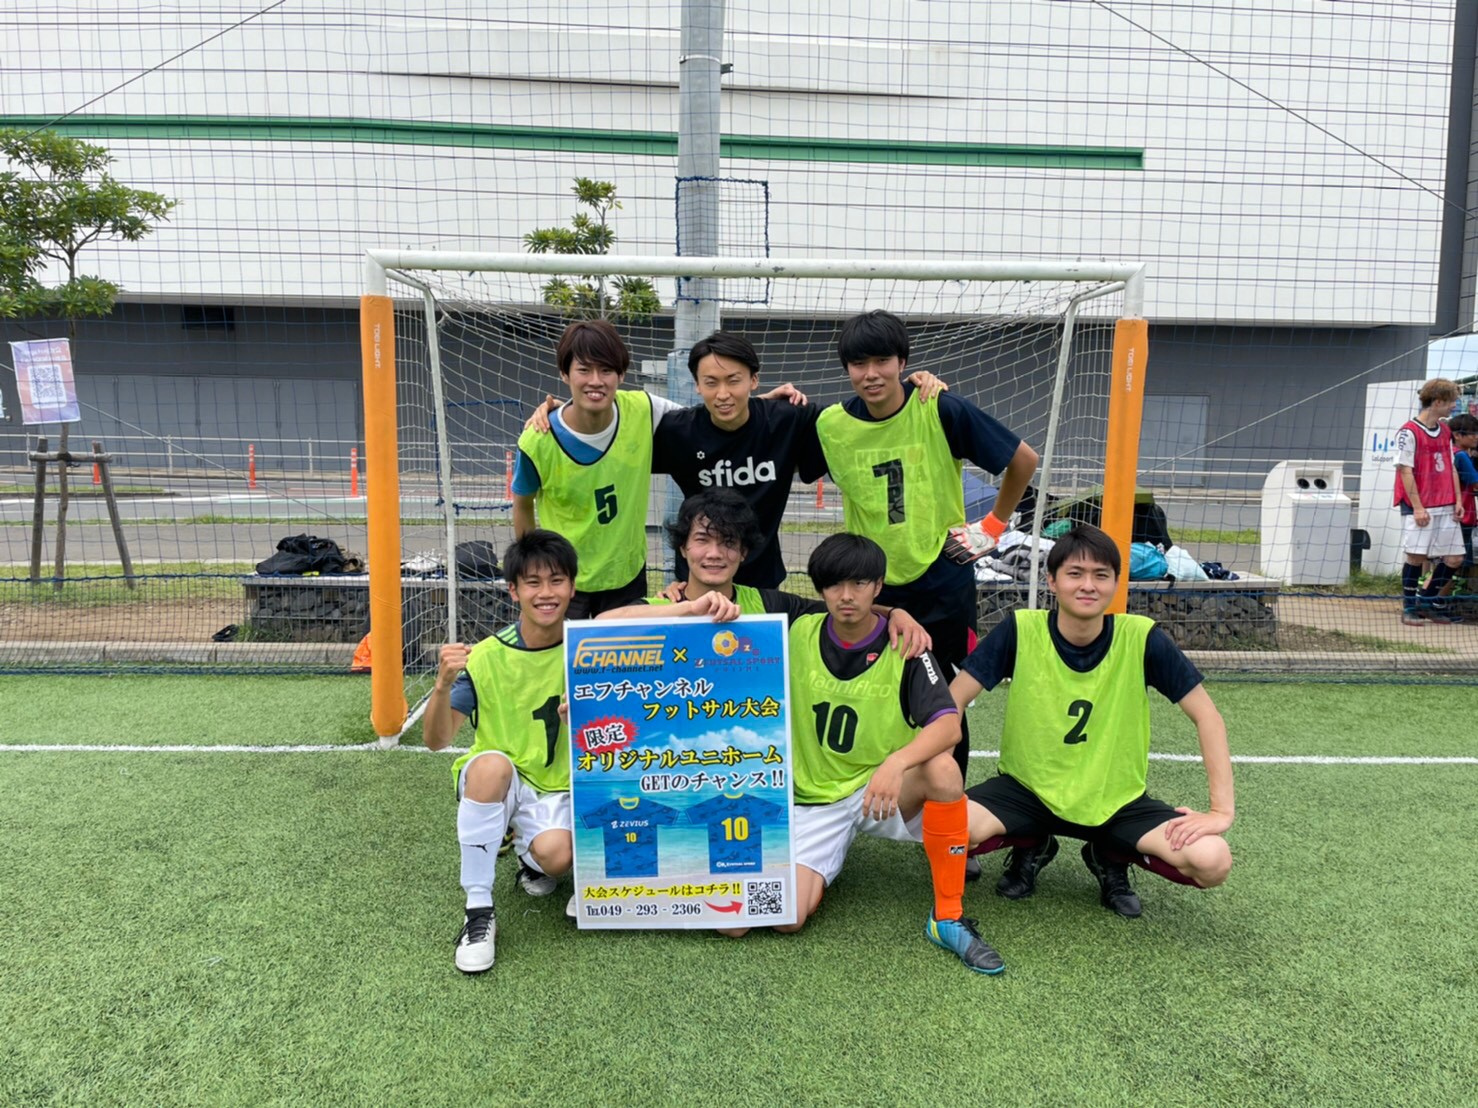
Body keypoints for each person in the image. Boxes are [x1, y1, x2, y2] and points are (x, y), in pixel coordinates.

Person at [950, 524, 1234, 919]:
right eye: (1075, 574)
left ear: (1116, 583)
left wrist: (1221, 810)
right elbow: (952, 703)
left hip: (1116, 801)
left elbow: (1208, 717)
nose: (1088, 585)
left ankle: (1110, 853)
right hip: (1027, 792)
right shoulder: (1021, 629)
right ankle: (1032, 843)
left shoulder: (1142, 638)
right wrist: (941, 778)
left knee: (1212, 860)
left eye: (1101, 575)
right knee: (946, 829)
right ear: (1052, 581)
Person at [529, 328, 948, 588]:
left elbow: (859, 415)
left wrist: (910, 386)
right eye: (711, 382)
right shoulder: (676, 430)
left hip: (764, 580)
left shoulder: (789, 419)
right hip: (696, 581)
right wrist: (559, 412)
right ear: (696, 386)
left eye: (734, 380)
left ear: (754, 379)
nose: (723, 393)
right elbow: (607, 432)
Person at [812, 309, 1040, 785]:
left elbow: (1023, 460)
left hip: (942, 577)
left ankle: (947, 806)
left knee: (946, 698)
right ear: (846, 368)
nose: (871, 374)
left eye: (882, 361)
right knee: (875, 692)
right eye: (859, 363)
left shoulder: (938, 407)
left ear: (903, 362)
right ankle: (871, 799)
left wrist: (993, 526)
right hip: (870, 584)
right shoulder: (830, 425)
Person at [422, 530, 579, 973]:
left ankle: (529, 855)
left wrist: (585, 719)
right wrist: (441, 686)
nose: (546, 593)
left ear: (573, 587)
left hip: (559, 786)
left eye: (557, 581)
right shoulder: (485, 657)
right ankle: (478, 911)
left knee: (557, 858)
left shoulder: (589, 652)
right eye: (533, 583)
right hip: (505, 780)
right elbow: (436, 740)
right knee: (490, 765)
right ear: (513, 590)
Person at [598, 488, 929, 657]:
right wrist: (689, 609)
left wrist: (894, 613)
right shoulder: (660, 607)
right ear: (683, 548)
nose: (714, 554)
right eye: (702, 540)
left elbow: (839, 608)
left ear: (743, 552)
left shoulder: (771, 607)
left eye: (728, 542)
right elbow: (600, 626)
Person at [512, 320, 673, 618]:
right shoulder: (538, 440)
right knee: (558, 651)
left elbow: (710, 416)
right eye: (584, 370)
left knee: (623, 650)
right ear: (564, 374)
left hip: (625, 576)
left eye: (606, 370)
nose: (596, 381)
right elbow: (522, 505)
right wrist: (531, 572)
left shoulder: (643, 409)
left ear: (621, 374)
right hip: (562, 579)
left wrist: (755, 403)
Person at [1393, 378, 1465, 625]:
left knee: (1455, 557)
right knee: (1416, 556)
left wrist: (1457, 499)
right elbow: (1405, 470)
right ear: (1437, 402)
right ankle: (1409, 608)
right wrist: (1417, 507)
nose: (1454, 406)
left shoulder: (1445, 430)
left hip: (1445, 501)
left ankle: (1426, 601)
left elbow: (1451, 467)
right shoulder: (1409, 432)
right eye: (1452, 401)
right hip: (1421, 503)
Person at [1442, 412, 1477, 597]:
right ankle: (1433, 600)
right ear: (1457, 435)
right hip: (1462, 515)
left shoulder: (1450, 453)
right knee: (1453, 562)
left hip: (1452, 514)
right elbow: (1475, 482)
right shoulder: (1461, 456)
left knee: (1450, 561)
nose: (1476, 437)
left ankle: (1431, 599)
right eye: (1472, 433)